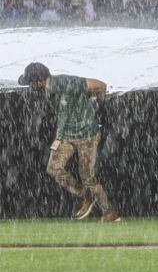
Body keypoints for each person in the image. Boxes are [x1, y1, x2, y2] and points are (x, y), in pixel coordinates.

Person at [18, 62, 121, 222]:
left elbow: (101, 85)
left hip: (87, 135)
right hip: (66, 135)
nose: (30, 87)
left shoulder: (67, 82)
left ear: (39, 81)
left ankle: (109, 212)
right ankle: (85, 195)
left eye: (31, 83)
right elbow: (64, 113)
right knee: (53, 168)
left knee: (87, 175)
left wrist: (97, 108)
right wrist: (59, 137)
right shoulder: (47, 90)